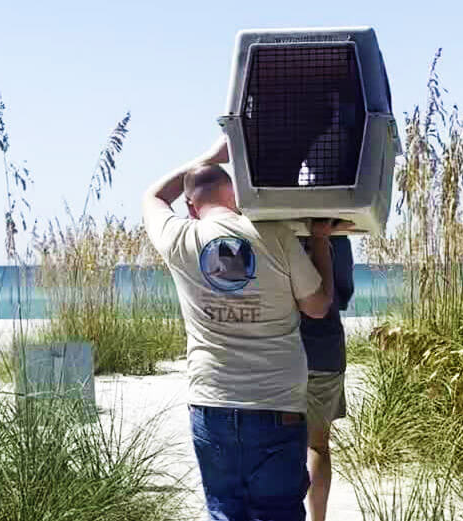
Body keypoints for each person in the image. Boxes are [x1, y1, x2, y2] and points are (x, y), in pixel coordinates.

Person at [142, 136, 340, 521]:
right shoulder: (274, 235)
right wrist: (319, 243)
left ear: (189, 205)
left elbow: (151, 196)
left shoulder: (180, 239)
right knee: (278, 511)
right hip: (276, 404)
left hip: (212, 403)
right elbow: (317, 307)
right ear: (235, 196)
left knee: (224, 511)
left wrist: (211, 155)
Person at [300, 233, 354, 521]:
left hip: (276, 349)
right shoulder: (338, 235)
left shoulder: (269, 226)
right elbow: (342, 293)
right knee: (317, 444)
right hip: (324, 348)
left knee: (273, 442)